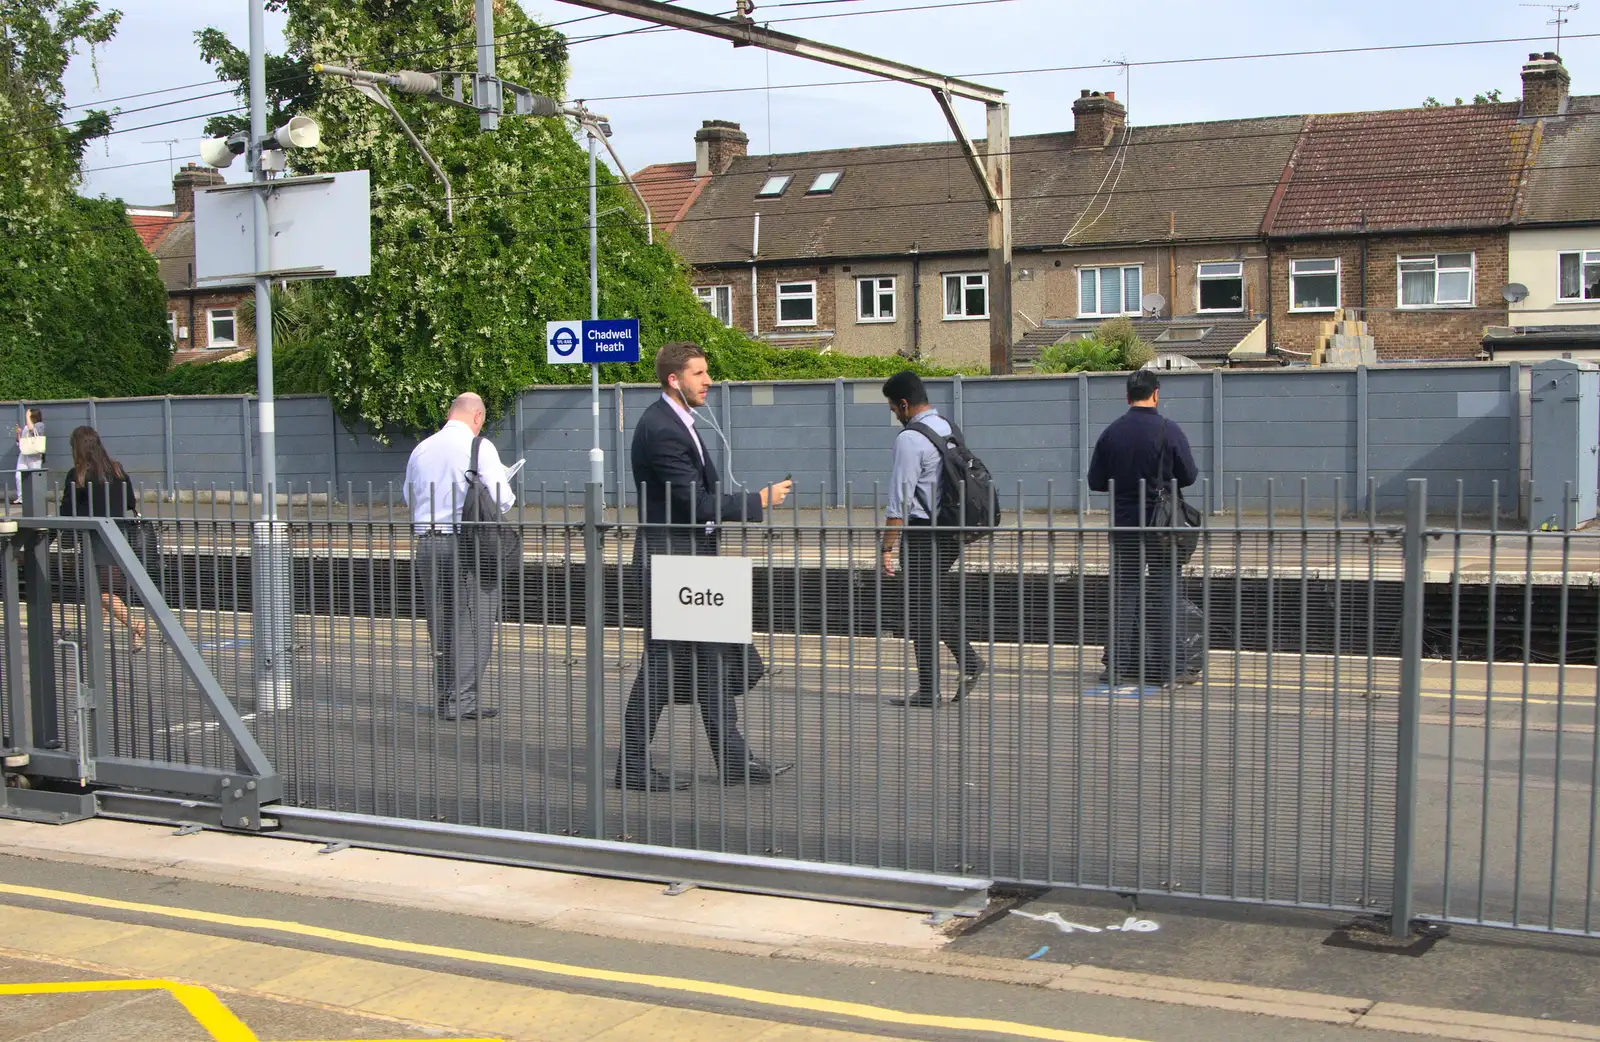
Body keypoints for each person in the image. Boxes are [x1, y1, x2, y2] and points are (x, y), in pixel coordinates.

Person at [616, 341, 794, 792]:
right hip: (672, 562)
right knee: (662, 664)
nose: (708, 380)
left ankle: (732, 761)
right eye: (699, 373)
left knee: (714, 660)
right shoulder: (663, 429)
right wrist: (758, 501)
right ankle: (632, 766)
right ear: (674, 379)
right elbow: (693, 504)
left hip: (692, 562)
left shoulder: (679, 424)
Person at [402, 392, 515, 722]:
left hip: (427, 545)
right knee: (473, 625)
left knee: (441, 624)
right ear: (478, 417)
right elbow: (502, 500)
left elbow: (408, 495)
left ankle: (446, 694)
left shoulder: (421, 449)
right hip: (467, 546)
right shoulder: (480, 448)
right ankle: (461, 700)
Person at [1087, 369, 1199, 688]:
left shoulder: (1112, 433)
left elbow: (1096, 482)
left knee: (1124, 594)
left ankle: (1116, 665)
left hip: (1125, 525)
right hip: (1162, 528)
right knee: (1167, 593)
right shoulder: (1168, 430)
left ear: (1127, 396)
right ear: (1156, 393)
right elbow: (1189, 475)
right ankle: (1173, 668)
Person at [879, 370, 985, 708]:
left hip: (924, 533)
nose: (895, 414)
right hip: (953, 529)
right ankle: (955, 670)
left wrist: (887, 547)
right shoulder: (947, 427)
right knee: (926, 605)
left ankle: (937, 684)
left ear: (905, 404)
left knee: (921, 607)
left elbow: (900, 498)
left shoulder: (910, 439)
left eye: (894, 408)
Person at [59, 426, 147, 653]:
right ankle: (94, 637)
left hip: (96, 541)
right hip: (120, 536)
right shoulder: (117, 469)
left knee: (101, 592)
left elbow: (67, 511)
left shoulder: (77, 474)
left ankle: (136, 626)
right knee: (100, 591)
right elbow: (130, 502)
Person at [12, 408, 44, 505]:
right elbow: (20, 441)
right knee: (18, 476)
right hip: (24, 453)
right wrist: (18, 433)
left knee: (34, 475)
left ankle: (37, 497)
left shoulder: (40, 425)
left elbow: (31, 430)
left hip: (34, 455)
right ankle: (21, 497)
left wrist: (27, 416)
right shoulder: (26, 426)